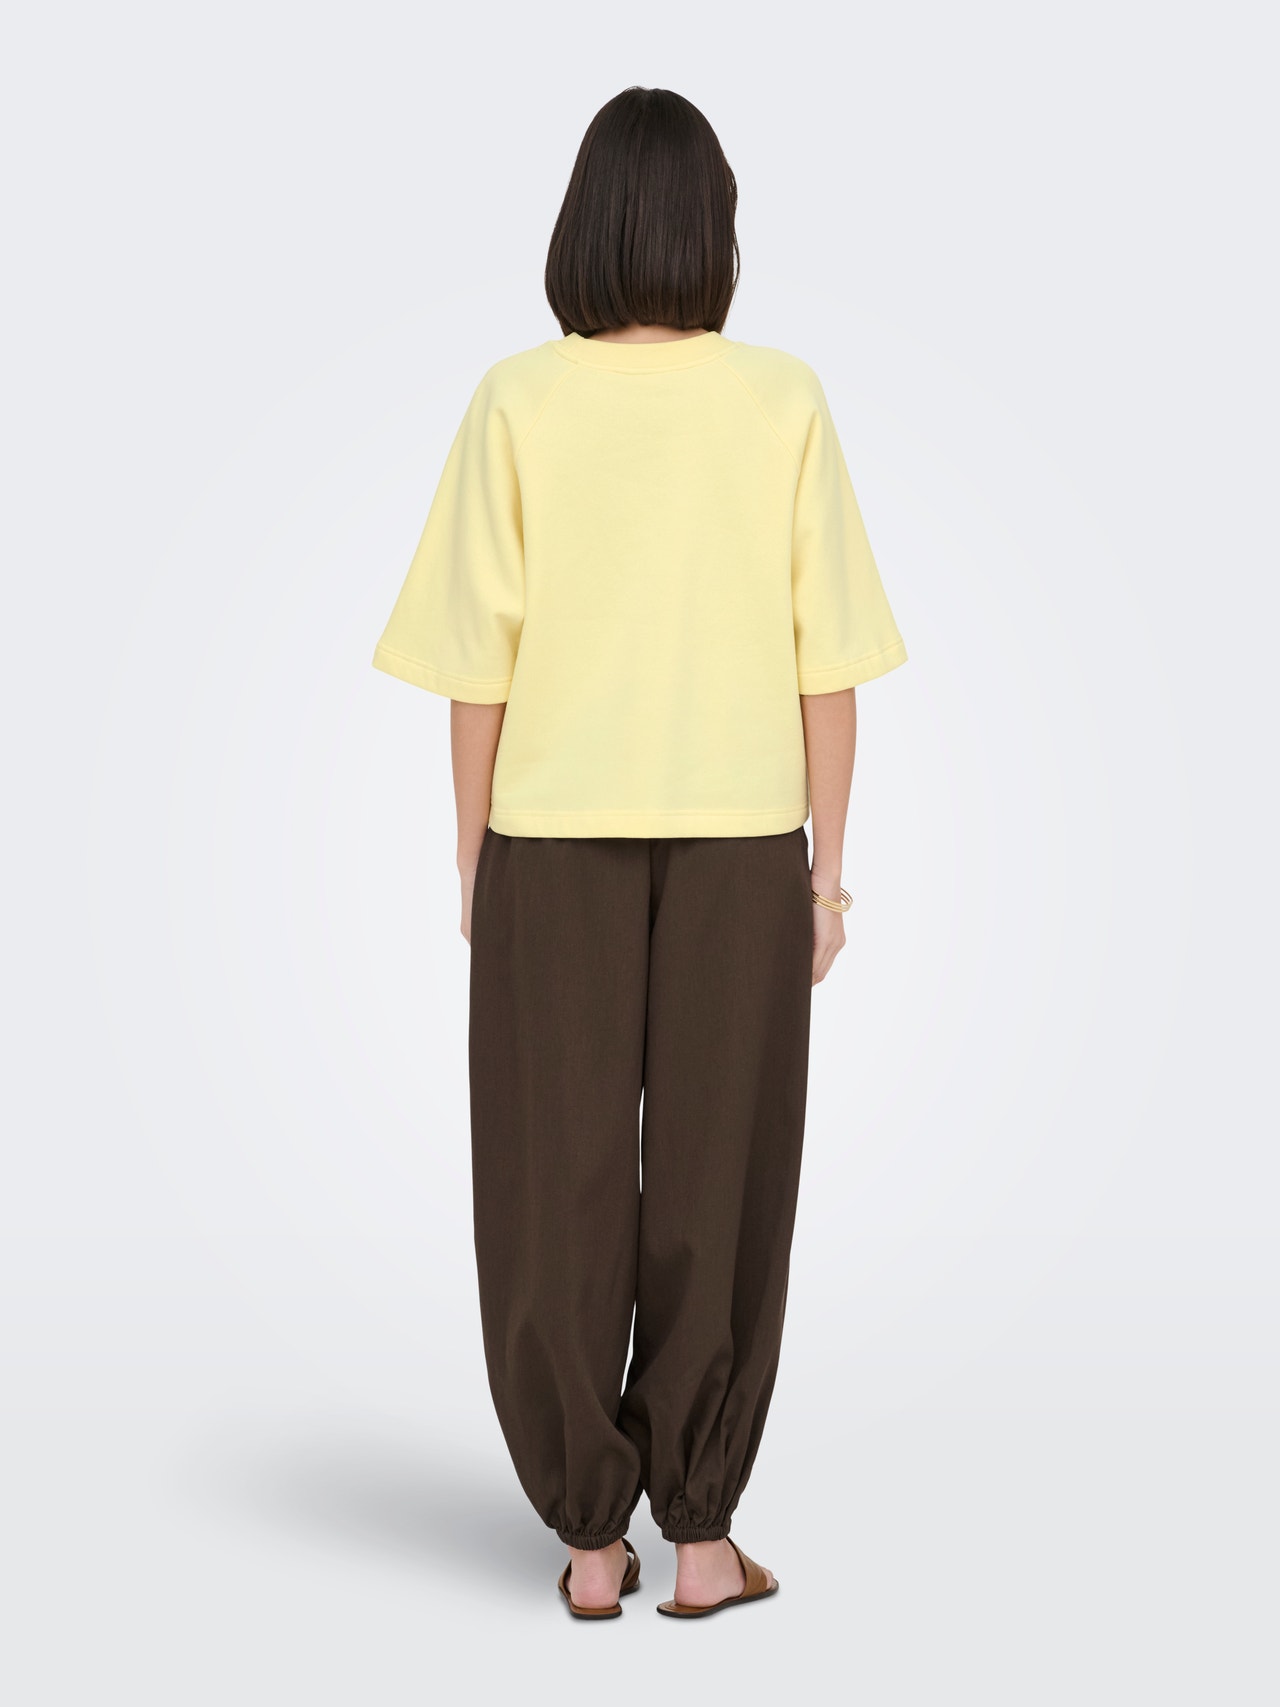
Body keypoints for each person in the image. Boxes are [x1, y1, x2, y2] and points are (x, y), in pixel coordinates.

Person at [371, 85, 908, 1620]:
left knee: (556, 1183)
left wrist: (473, 865)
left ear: (585, 226)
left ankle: (592, 1545)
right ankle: (705, 1541)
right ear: (714, 231)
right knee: (719, 1188)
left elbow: (478, 668)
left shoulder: (517, 400)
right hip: (745, 847)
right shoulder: (783, 398)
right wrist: (827, 881)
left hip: (550, 847)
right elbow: (828, 666)